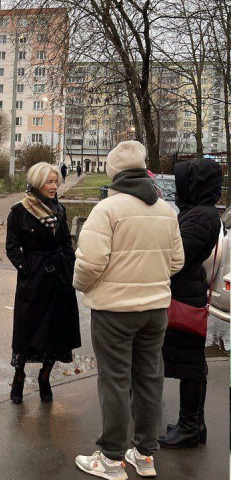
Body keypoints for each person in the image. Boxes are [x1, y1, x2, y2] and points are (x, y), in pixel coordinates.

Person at [73, 141, 184, 480]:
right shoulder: (166, 209)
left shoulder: (108, 209)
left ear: (113, 171)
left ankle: (110, 459)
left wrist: (83, 285)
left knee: (115, 382)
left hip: (114, 312)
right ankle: (146, 454)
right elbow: (177, 261)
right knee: (149, 379)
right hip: (155, 310)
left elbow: (89, 264)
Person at [159, 159, 222, 449]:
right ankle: (196, 423)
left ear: (195, 184)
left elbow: (177, 257)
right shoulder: (201, 212)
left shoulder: (199, 216)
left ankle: (189, 427)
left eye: (185, 180)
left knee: (190, 363)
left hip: (185, 293)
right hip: (188, 290)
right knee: (192, 361)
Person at [6, 162, 81, 405]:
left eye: (55, 181)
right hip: (34, 278)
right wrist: (25, 269)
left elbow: (67, 242)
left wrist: (68, 265)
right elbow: (12, 248)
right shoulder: (18, 212)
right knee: (27, 328)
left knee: (57, 330)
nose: (54, 186)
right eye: (49, 181)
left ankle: (45, 377)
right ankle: (19, 376)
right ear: (37, 182)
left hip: (59, 276)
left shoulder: (60, 209)